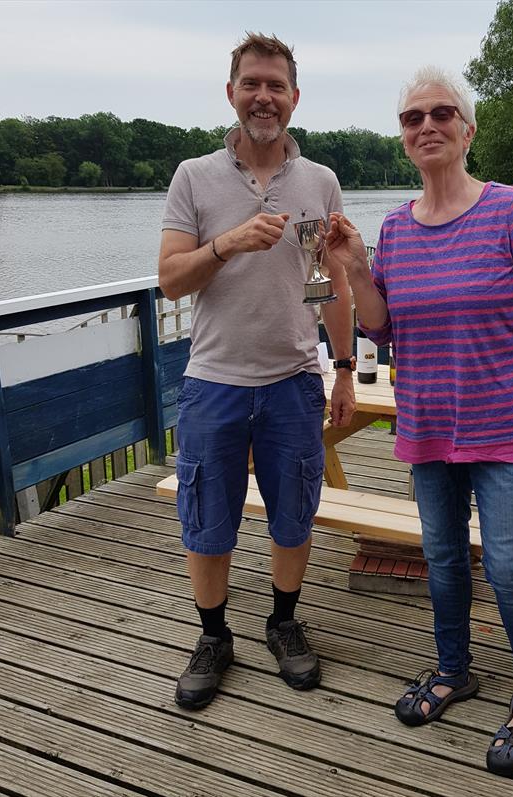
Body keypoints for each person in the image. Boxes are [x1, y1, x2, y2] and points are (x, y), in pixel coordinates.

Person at [324, 66, 513, 777]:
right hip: (429, 424)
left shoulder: (510, 210)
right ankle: (453, 668)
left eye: (441, 114)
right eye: (412, 118)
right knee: (441, 558)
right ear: (403, 138)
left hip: (505, 427)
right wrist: (356, 269)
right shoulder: (397, 227)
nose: (426, 126)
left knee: (506, 563)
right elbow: (384, 328)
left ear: (467, 130)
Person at [159, 33, 355, 710]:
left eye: (276, 86)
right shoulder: (194, 176)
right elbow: (168, 281)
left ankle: (283, 621)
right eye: (252, 83)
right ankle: (214, 636)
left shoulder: (320, 182)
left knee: (293, 514)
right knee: (206, 518)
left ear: (294, 99)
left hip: (295, 379)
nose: (263, 96)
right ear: (232, 93)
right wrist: (229, 241)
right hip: (213, 379)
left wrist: (347, 368)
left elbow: (324, 284)